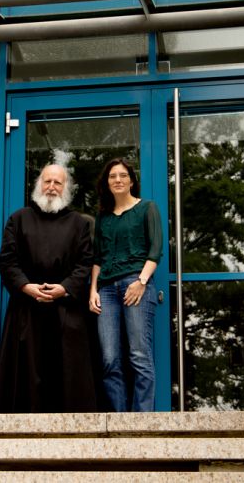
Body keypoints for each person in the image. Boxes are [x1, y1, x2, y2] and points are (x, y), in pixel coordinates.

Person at [0, 164, 98, 413]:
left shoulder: (79, 224)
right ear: (39, 184)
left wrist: (64, 288)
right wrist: (26, 286)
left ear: (66, 188)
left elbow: (85, 264)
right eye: (47, 181)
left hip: (66, 311)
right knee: (26, 377)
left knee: (68, 378)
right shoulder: (18, 219)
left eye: (57, 182)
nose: (51, 187)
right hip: (26, 310)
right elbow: (7, 261)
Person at [88, 158, 162, 412]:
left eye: (123, 175)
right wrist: (93, 290)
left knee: (139, 354)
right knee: (109, 358)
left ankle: (142, 420)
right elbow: (98, 259)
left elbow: (155, 250)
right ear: (107, 183)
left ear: (131, 181)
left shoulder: (147, 208)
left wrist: (141, 282)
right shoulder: (103, 217)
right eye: (112, 176)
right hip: (106, 290)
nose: (117, 180)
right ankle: (119, 419)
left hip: (135, 284)